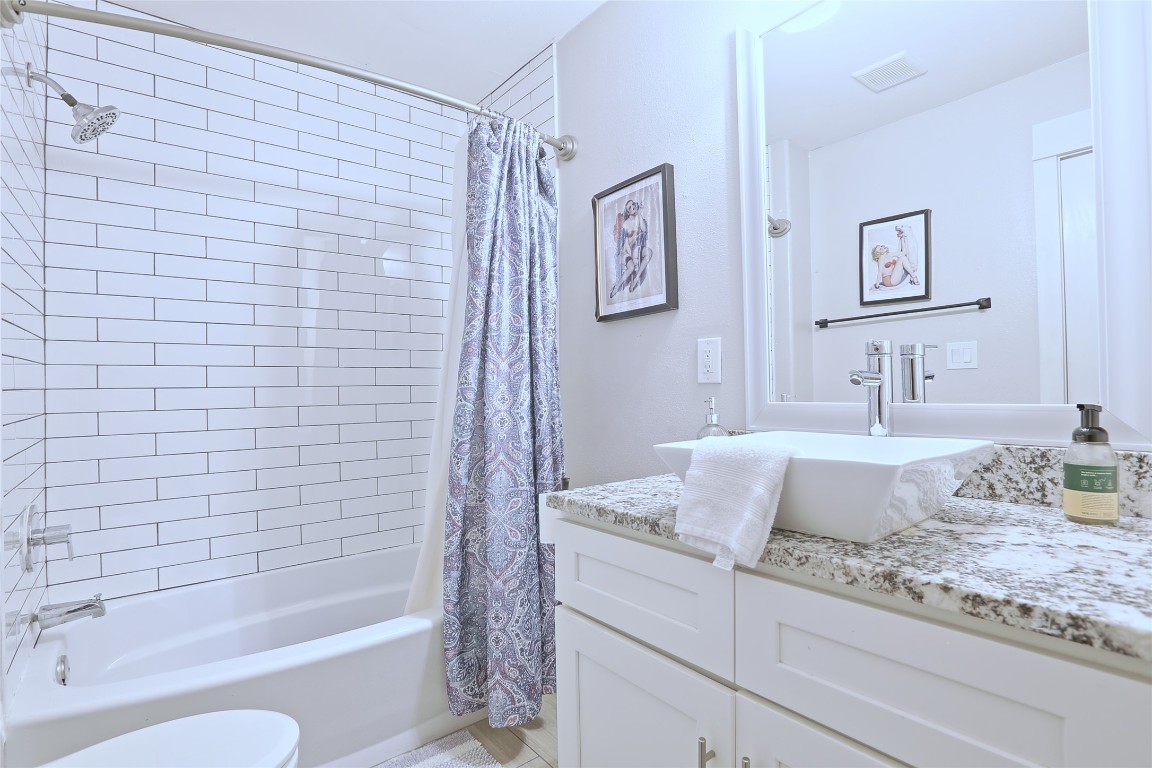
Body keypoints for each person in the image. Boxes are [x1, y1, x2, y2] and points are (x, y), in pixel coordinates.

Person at [609, 198, 652, 298]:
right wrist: (632, 256)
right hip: (625, 251)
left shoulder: (638, 218)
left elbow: (644, 230)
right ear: (628, 213)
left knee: (649, 252)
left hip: (634, 249)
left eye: (633, 205)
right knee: (631, 266)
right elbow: (626, 244)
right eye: (630, 207)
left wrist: (639, 212)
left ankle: (636, 279)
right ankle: (616, 287)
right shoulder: (625, 224)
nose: (632, 207)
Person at [870, 225, 920, 291]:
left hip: (893, 278)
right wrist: (877, 285)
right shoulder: (881, 258)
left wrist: (902, 239)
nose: (882, 247)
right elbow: (879, 273)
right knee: (902, 258)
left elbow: (903, 252)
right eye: (880, 249)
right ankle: (914, 277)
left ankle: (913, 276)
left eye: (881, 246)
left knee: (902, 257)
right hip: (889, 281)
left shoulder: (889, 254)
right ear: (878, 254)